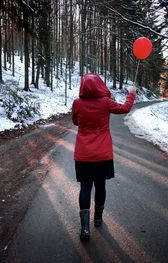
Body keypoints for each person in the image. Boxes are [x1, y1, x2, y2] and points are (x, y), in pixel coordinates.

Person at [72, 73, 136, 241]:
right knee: (100, 186)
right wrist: (131, 94)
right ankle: (98, 219)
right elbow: (125, 109)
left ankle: (84, 228)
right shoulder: (105, 103)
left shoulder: (77, 104)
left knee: (85, 188)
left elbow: (75, 122)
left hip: (83, 154)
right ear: (100, 85)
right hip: (102, 154)